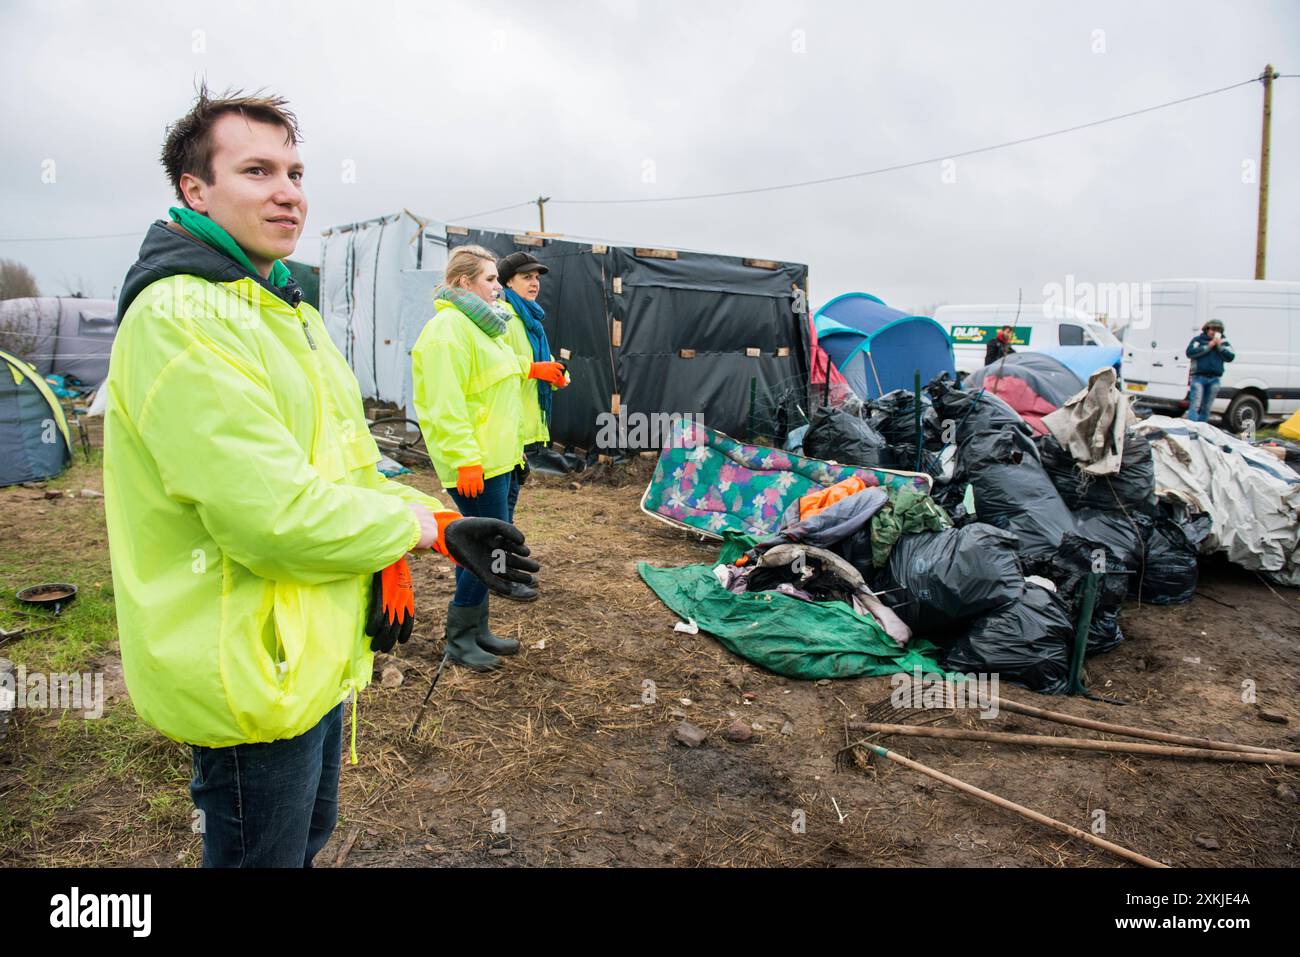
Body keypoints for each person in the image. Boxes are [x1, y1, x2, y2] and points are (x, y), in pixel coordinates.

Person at [102, 88, 538, 868]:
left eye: (296, 172)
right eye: (258, 170)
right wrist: (421, 526)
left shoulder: (283, 309)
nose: (287, 191)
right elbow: (271, 515)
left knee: (304, 841)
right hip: (250, 667)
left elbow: (342, 461)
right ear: (193, 190)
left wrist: (405, 533)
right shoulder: (183, 318)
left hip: (311, 649)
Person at [412, 247, 538, 671]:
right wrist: (465, 459)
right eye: (490, 280)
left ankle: (478, 628)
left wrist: (532, 368)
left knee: (492, 545)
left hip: (499, 459)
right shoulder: (446, 330)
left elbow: (493, 377)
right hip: (477, 465)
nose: (498, 288)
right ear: (464, 283)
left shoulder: (483, 326)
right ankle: (459, 639)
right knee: (481, 550)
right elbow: (443, 405)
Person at [496, 251, 570, 546]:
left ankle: (503, 555)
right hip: (506, 425)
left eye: (536, 278)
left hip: (524, 425)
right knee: (504, 501)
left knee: (510, 498)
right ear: (508, 282)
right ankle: (500, 561)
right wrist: (533, 369)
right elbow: (496, 367)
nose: (534, 283)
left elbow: (545, 363)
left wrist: (559, 376)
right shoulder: (503, 318)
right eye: (526, 277)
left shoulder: (531, 321)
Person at [1184, 319, 1235, 423]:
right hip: (1199, 377)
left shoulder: (1224, 343)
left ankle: (1202, 428)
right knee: (1195, 404)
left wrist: (1219, 346)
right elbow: (1190, 353)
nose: (1214, 332)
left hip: (1214, 379)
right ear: (1207, 329)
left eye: (1218, 330)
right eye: (1213, 329)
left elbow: (1230, 357)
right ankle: (1192, 427)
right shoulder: (1198, 340)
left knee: (1207, 406)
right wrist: (1209, 346)